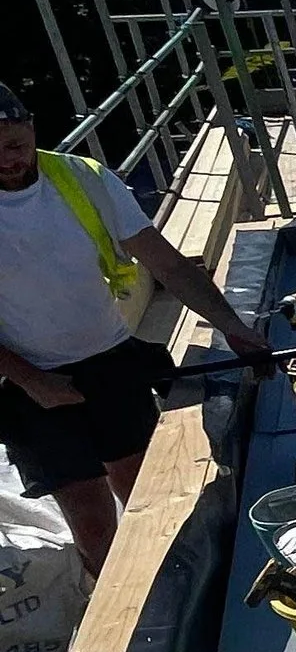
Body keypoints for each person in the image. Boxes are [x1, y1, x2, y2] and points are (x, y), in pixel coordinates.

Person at [0, 83, 270, 573]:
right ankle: (119, 618)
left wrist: (233, 326)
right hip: (30, 381)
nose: (7, 162)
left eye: (14, 146)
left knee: (146, 493)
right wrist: (31, 380)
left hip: (109, 360)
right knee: (93, 523)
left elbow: (166, 263)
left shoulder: (81, 179)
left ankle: (170, 589)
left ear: (32, 127)